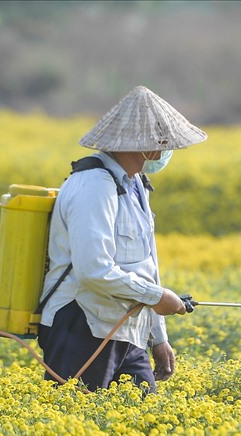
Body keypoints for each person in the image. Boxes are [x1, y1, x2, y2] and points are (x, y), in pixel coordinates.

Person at [37, 86, 206, 392]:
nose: (167, 151)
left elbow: (146, 265)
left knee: (142, 421)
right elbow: (94, 270)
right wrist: (157, 298)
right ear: (144, 145)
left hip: (126, 330)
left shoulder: (136, 184)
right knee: (76, 426)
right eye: (163, 142)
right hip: (82, 326)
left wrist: (158, 336)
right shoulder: (94, 185)